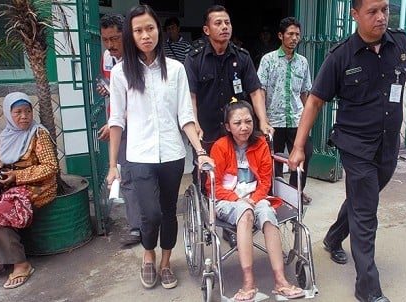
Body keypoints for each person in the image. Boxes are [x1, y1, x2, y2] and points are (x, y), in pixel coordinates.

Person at [288, 1, 406, 301]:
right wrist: (297, 148)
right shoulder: (341, 55)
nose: (381, 17)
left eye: (385, 9)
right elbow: (315, 101)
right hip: (355, 146)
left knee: (362, 200)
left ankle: (333, 238)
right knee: (366, 212)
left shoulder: (402, 44)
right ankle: (368, 288)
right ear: (355, 15)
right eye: (372, 11)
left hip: (387, 145)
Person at [106, 5, 213, 290]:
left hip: (172, 154)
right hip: (138, 155)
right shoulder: (121, 73)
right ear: (131, 34)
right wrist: (112, 165)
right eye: (138, 30)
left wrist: (200, 151)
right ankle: (148, 255)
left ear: (158, 31)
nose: (145, 35)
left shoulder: (176, 69)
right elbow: (116, 120)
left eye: (150, 28)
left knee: (168, 211)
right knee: (150, 213)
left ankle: (165, 262)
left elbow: (185, 117)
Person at [184, 5, 273, 247]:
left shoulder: (241, 57)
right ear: (206, 29)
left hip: (238, 130)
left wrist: (262, 121)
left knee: (240, 171)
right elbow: (190, 97)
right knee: (208, 177)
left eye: (227, 23)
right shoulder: (194, 60)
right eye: (218, 23)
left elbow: (255, 90)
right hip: (209, 131)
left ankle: (238, 218)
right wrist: (196, 125)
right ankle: (209, 217)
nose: (225, 27)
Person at [209, 99, 304, 301]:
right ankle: (248, 282)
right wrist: (239, 200)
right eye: (237, 123)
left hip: (256, 197)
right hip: (228, 199)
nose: (244, 127)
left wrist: (255, 198)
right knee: (245, 214)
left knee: (268, 215)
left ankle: (281, 281)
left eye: (248, 121)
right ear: (227, 126)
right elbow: (213, 186)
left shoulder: (260, 144)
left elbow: (265, 180)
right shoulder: (220, 147)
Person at [0, 92, 58, 289]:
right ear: (8, 114)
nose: (24, 116)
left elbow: (50, 166)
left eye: (28, 111)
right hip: (12, 184)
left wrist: (17, 176)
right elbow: (7, 158)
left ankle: (21, 263)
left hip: (38, 187)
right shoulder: (9, 135)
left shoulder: (38, 134)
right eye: (18, 112)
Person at [97, 13, 142, 248]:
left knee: (146, 178)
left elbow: (141, 103)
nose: (110, 45)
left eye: (114, 38)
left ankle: (152, 223)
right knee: (127, 180)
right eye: (105, 39)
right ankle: (136, 227)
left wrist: (115, 121)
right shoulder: (108, 58)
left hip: (143, 130)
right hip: (121, 130)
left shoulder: (141, 61)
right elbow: (115, 93)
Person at [257, 17, 313, 204]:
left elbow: (305, 92)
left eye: (297, 34)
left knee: (305, 153)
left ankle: (296, 192)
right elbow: (261, 91)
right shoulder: (268, 60)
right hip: (274, 121)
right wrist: (263, 119)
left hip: (297, 120)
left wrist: (308, 118)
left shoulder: (303, 62)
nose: (294, 38)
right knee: (274, 160)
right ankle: (275, 193)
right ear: (281, 36)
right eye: (290, 34)